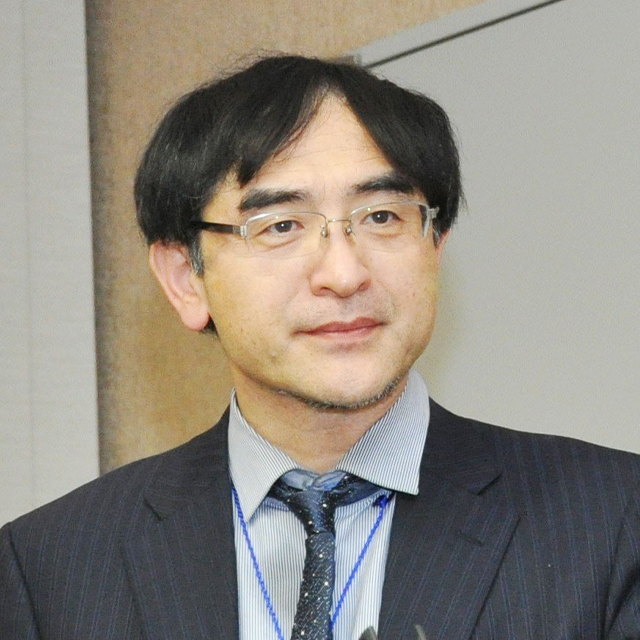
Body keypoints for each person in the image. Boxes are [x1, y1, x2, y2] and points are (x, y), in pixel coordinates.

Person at [1, 54, 639, 640]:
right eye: (280, 225)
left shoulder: (613, 520)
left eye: (383, 217)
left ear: (435, 246)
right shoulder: (49, 568)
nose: (343, 273)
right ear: (185, 279)